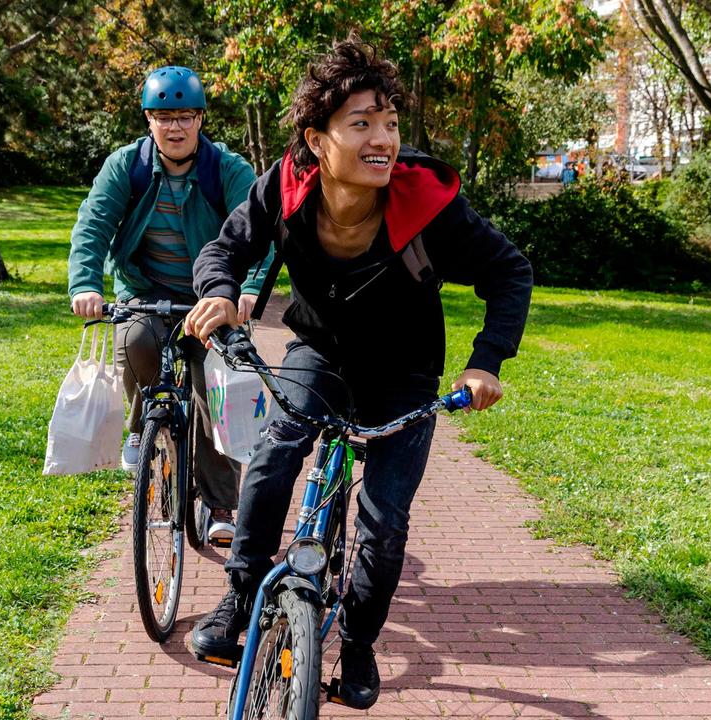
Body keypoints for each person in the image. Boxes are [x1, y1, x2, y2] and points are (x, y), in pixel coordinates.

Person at [183, 39, 532, 708]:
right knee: (276, 454)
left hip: (405, 372)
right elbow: (226, 247)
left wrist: (486, 360)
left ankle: (362, 644)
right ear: (317, 139)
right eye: (362, 123)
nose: (384, 138)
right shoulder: (283, 189)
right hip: (321, 353)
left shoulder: (427, 204)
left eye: (391, 122)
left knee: (383, 520)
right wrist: (221, 290)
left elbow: (509, 270)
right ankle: (237, 600)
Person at [68, 65, 271, 543]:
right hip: (146, 288)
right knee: (136, 337)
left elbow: (264, 233)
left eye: (184, 116)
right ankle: (142, 423)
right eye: (164, 116)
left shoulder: (228, 170)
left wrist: (250, 288)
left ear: (200, 120)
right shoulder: (127, 166)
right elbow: (93, 226)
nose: (174, 126)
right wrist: (85, 285)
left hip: (213, 294)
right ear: (148, 120)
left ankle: (221, 502)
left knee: (214, 385)